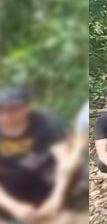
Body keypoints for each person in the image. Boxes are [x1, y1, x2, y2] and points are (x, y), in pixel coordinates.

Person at [0, 87, 72, 222]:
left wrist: (57, 197)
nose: (6, 116)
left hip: (46, 183)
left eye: (13, 110)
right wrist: (14, 207)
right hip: (8, 191)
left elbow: (65, 163)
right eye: (1, 110)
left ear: (26, 107)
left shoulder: (46, 122)